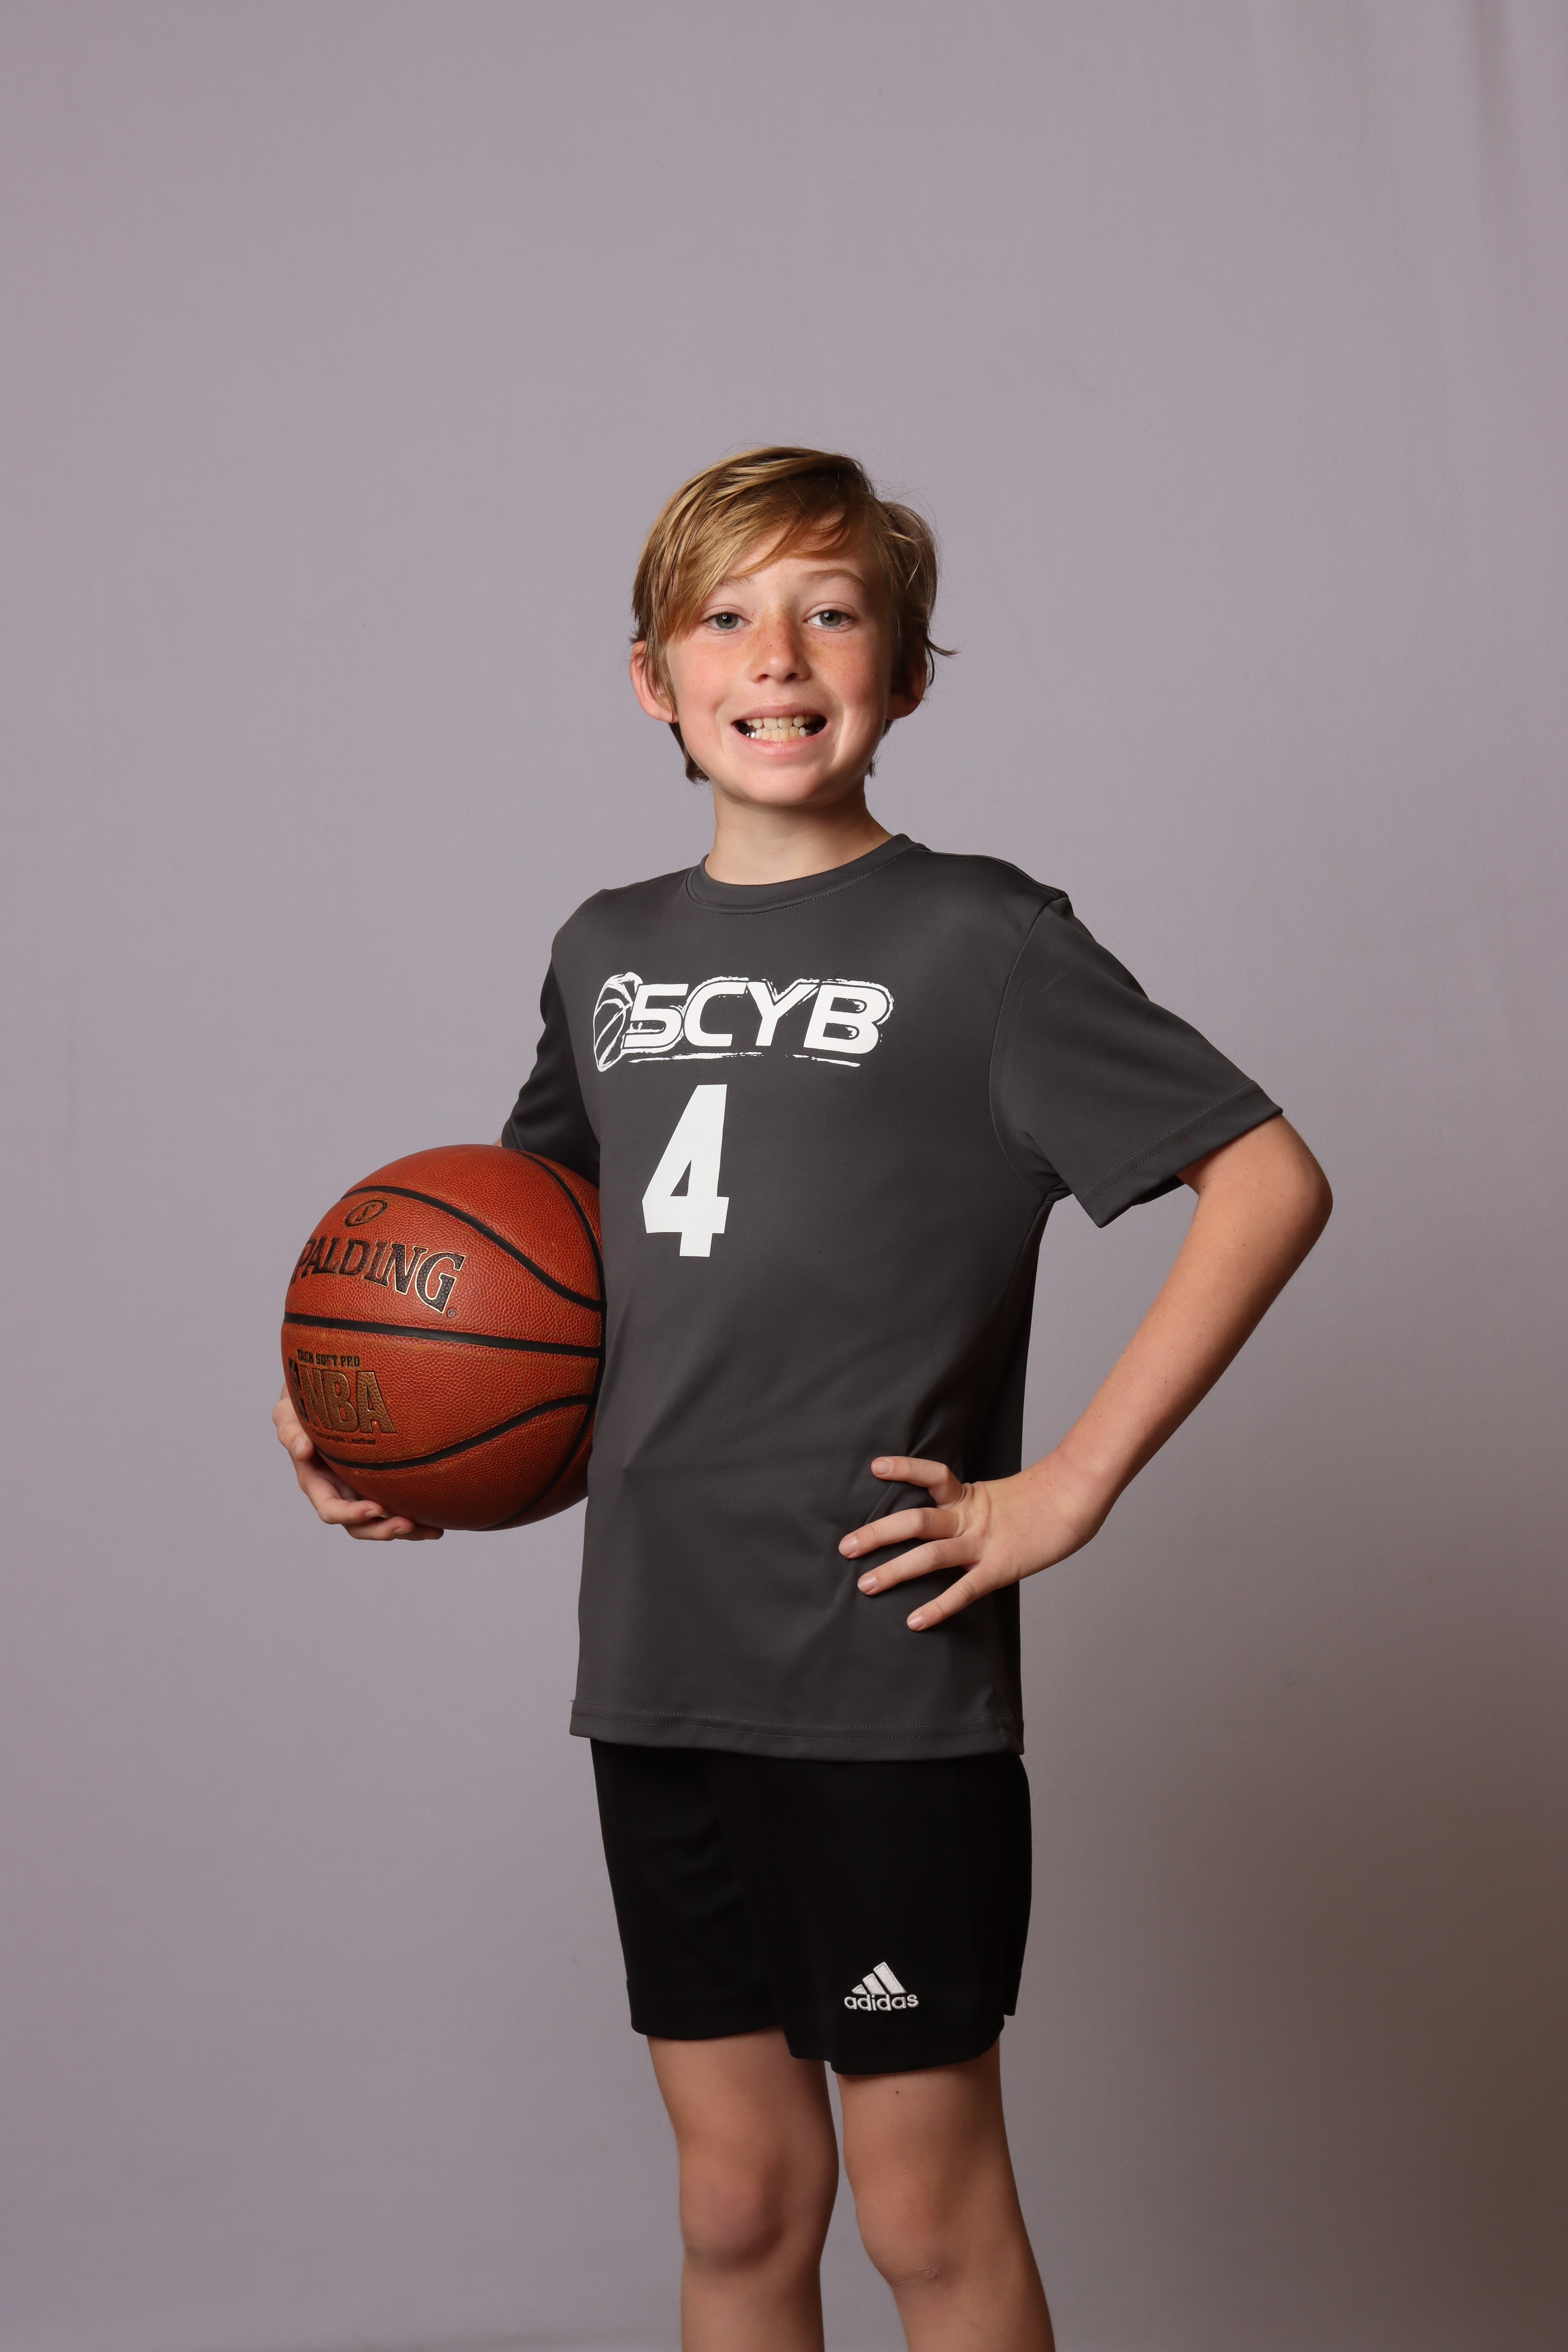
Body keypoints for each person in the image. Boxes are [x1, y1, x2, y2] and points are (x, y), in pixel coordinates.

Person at [274, 446, 1331, 2351]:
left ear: (903, 675)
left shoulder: (983, 940)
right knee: (738, 2199)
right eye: (725, 617)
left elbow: (1266, 1179)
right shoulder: (603, 954)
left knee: (927, 2218)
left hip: (874, 1674)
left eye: (830, 613)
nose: (775, 655)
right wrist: (385, 1430)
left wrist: (1069, 1484)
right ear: (652, 678)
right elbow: (541, 1291)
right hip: (655, 1661)